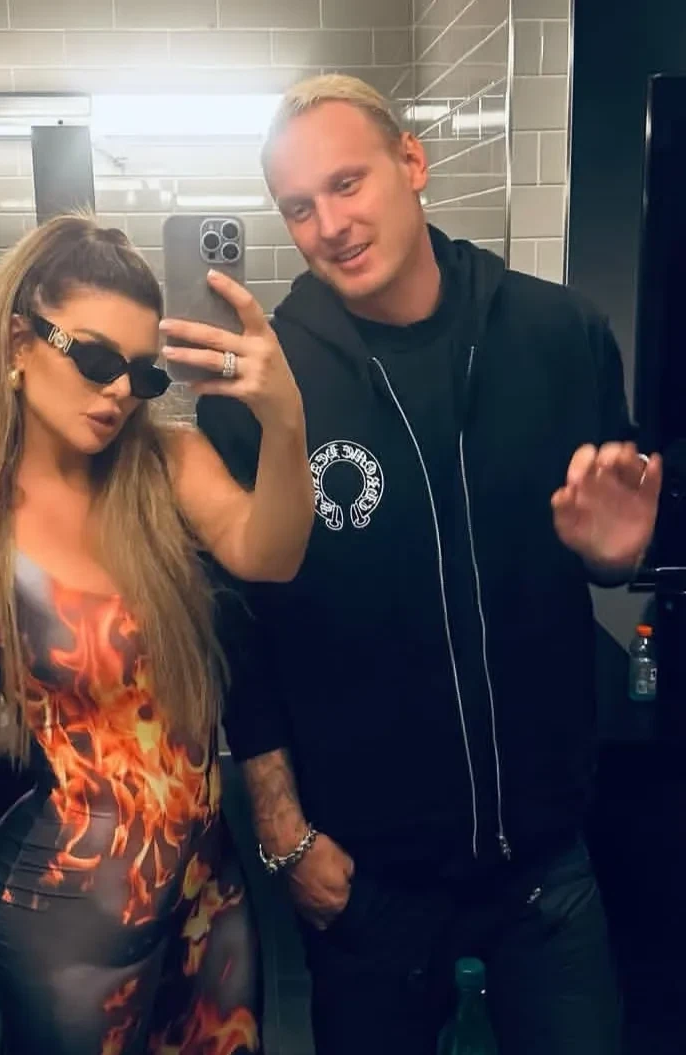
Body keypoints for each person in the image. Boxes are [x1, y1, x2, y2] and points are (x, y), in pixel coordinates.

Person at [197, 75, 663, 1055]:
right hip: (366, 879)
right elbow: (242, 631)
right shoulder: (265, 392)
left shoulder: (558, 335)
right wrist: (281, 830)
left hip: (546, 870)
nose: (329, 225)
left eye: (347, 183)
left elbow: (611, 533)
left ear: (410, 163)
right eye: (298, 207)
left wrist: (616, 558)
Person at [0, 213, 313, 1055]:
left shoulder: (167, 467)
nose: (120, 391)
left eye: (141, 372)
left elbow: (270, 554)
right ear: (19, 341)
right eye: (95, 360)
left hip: (211, 895)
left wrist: (285, 421)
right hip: (68, 914)